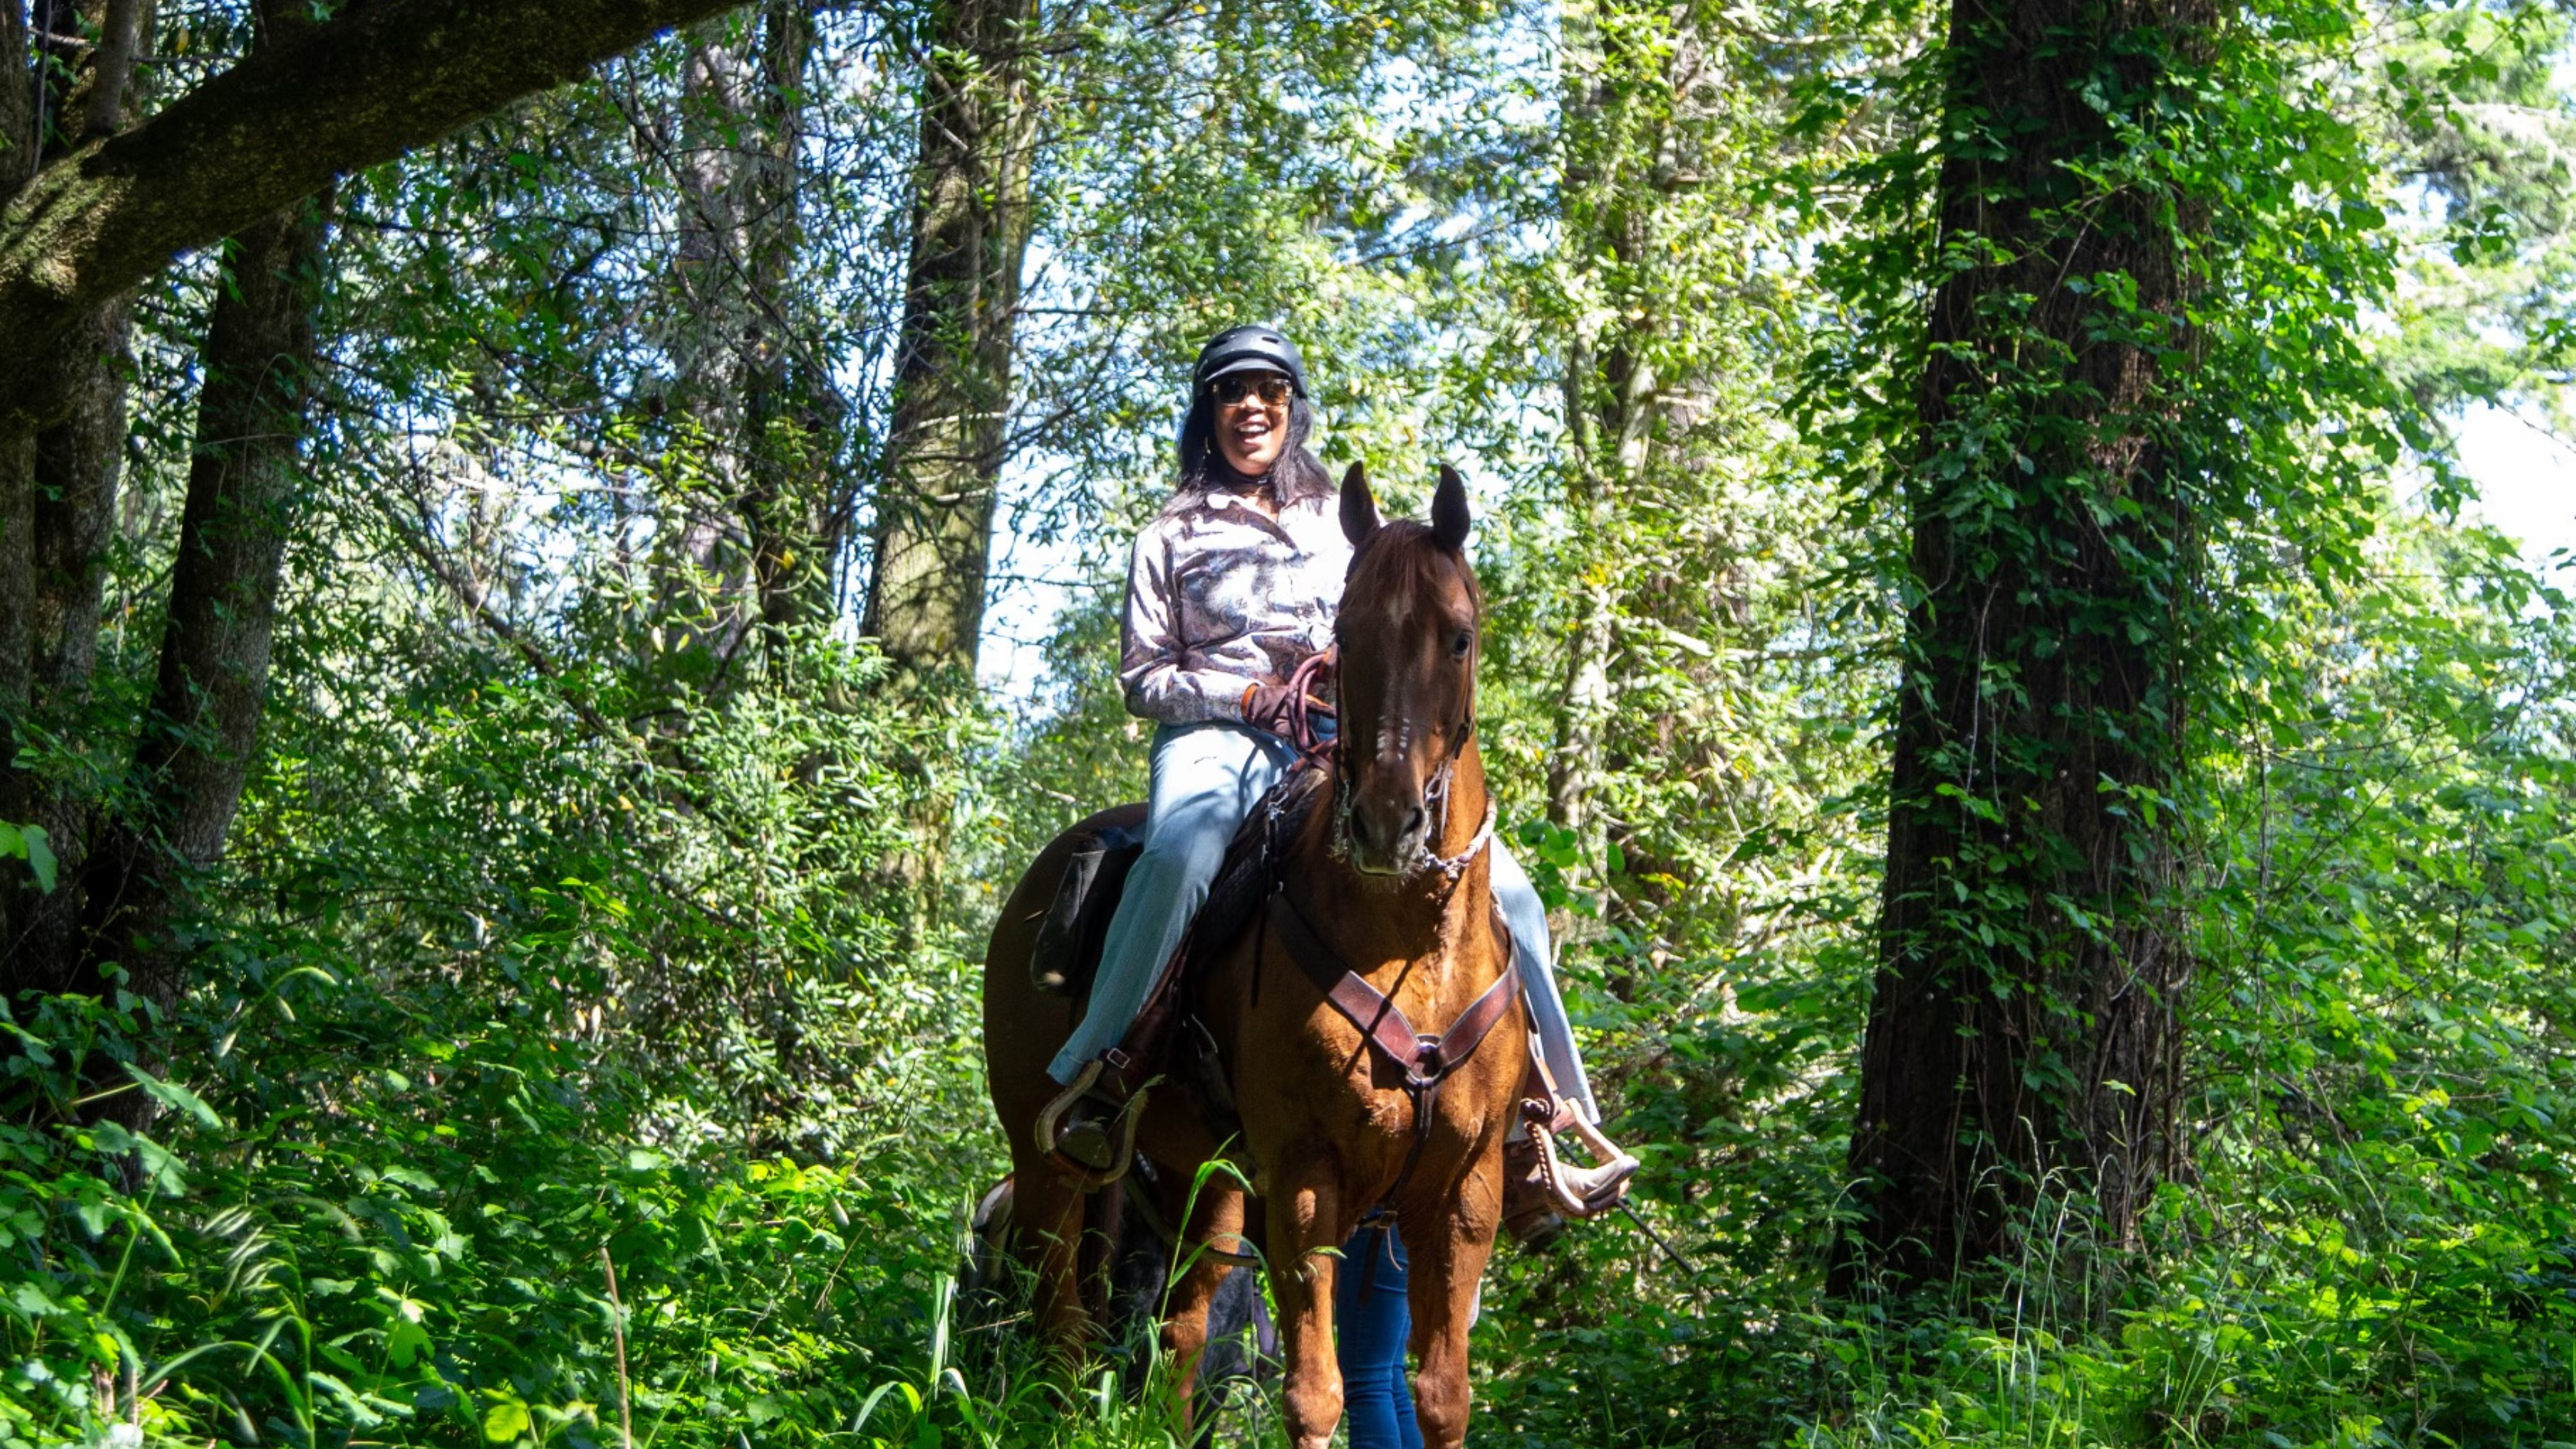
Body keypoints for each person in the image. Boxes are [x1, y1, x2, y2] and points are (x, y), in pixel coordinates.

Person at [1037, 324, 1636, 1224]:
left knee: (1507, 892)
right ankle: (1101, 1070)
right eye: (1233, 393)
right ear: (1209, 413)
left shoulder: (1339, 522)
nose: (1252, 408)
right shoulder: (1168, 532)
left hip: (1341, 737)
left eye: (1270, 393)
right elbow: (1142, 677)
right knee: (1181, 854)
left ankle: (1548, 1122)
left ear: (1293, 409)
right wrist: (1246, 697)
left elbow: (1390, 629)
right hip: (1218, 737)